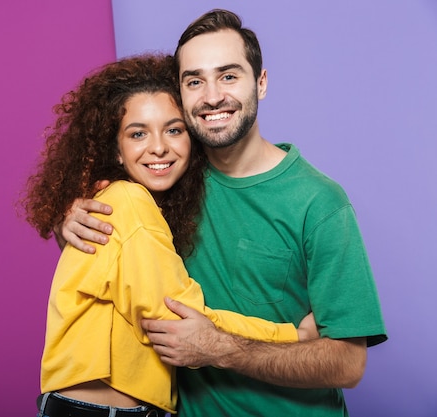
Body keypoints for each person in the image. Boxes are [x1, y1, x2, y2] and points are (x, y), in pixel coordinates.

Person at [56, 9, 388, 417]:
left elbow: (349, 364)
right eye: (195, 81)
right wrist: (71, 217)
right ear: (181, 93)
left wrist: (220, 348)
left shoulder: (320, 203)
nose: (212, 96)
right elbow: (116, 243)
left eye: (229, 76)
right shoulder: (167, 178)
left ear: (261, 83)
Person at [22, 54, 318, 416]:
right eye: (138, 133)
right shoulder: (127, 203)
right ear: (116, 150)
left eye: (174, 129)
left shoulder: (122, 205)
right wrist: (294, 338)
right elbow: (178, 320)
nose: (159, 147)